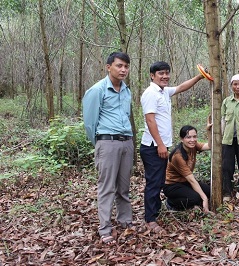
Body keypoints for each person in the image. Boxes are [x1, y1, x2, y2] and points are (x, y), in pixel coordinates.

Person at [140, 61, 205, 233]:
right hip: (153, 146)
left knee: (159, 181)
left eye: (167, 73)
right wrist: (160, 145)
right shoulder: (150, 94)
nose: (165, 76)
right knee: (154, 183)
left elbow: (182, 87)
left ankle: (155, 211)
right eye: (161, 73)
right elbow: (150, 120)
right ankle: (150, 220)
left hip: (161, 146)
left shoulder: (163, 91)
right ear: (152, 76)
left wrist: (200, 77)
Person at [82, 52, 134, 245]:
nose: (123, 70)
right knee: (107, 187)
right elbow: (89, 122)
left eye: (126, 67)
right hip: (107, 142)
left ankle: (125, 220)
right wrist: (100, 145)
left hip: (126, 142)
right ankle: (105, 228)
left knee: (124, 186)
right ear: (108, 67)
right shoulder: (97, 90)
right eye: (119, 66)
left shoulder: (127, 90)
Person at [163, 123, 212, 213]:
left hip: (184, 182)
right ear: (182, 139)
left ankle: (192, 200)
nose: (192, 140)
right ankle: (171, 203)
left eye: (194, 137)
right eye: (188, 137)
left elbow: (209, 146)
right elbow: (192, 180)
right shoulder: (178, 156)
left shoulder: (193, 145)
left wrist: (209, 131)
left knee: (209, 191)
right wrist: (204, 199)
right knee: (196, 198)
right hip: (172, 185)